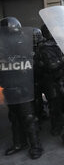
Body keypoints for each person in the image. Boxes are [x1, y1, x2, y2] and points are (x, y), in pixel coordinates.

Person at [0, 17, 43, 159]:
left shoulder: (25, 44)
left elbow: (34, 63)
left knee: (29, 117)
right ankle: (19, 143)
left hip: (24, 86)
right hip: (9, 86)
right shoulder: (2, 46)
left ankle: (36, 145)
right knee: (14, 117)